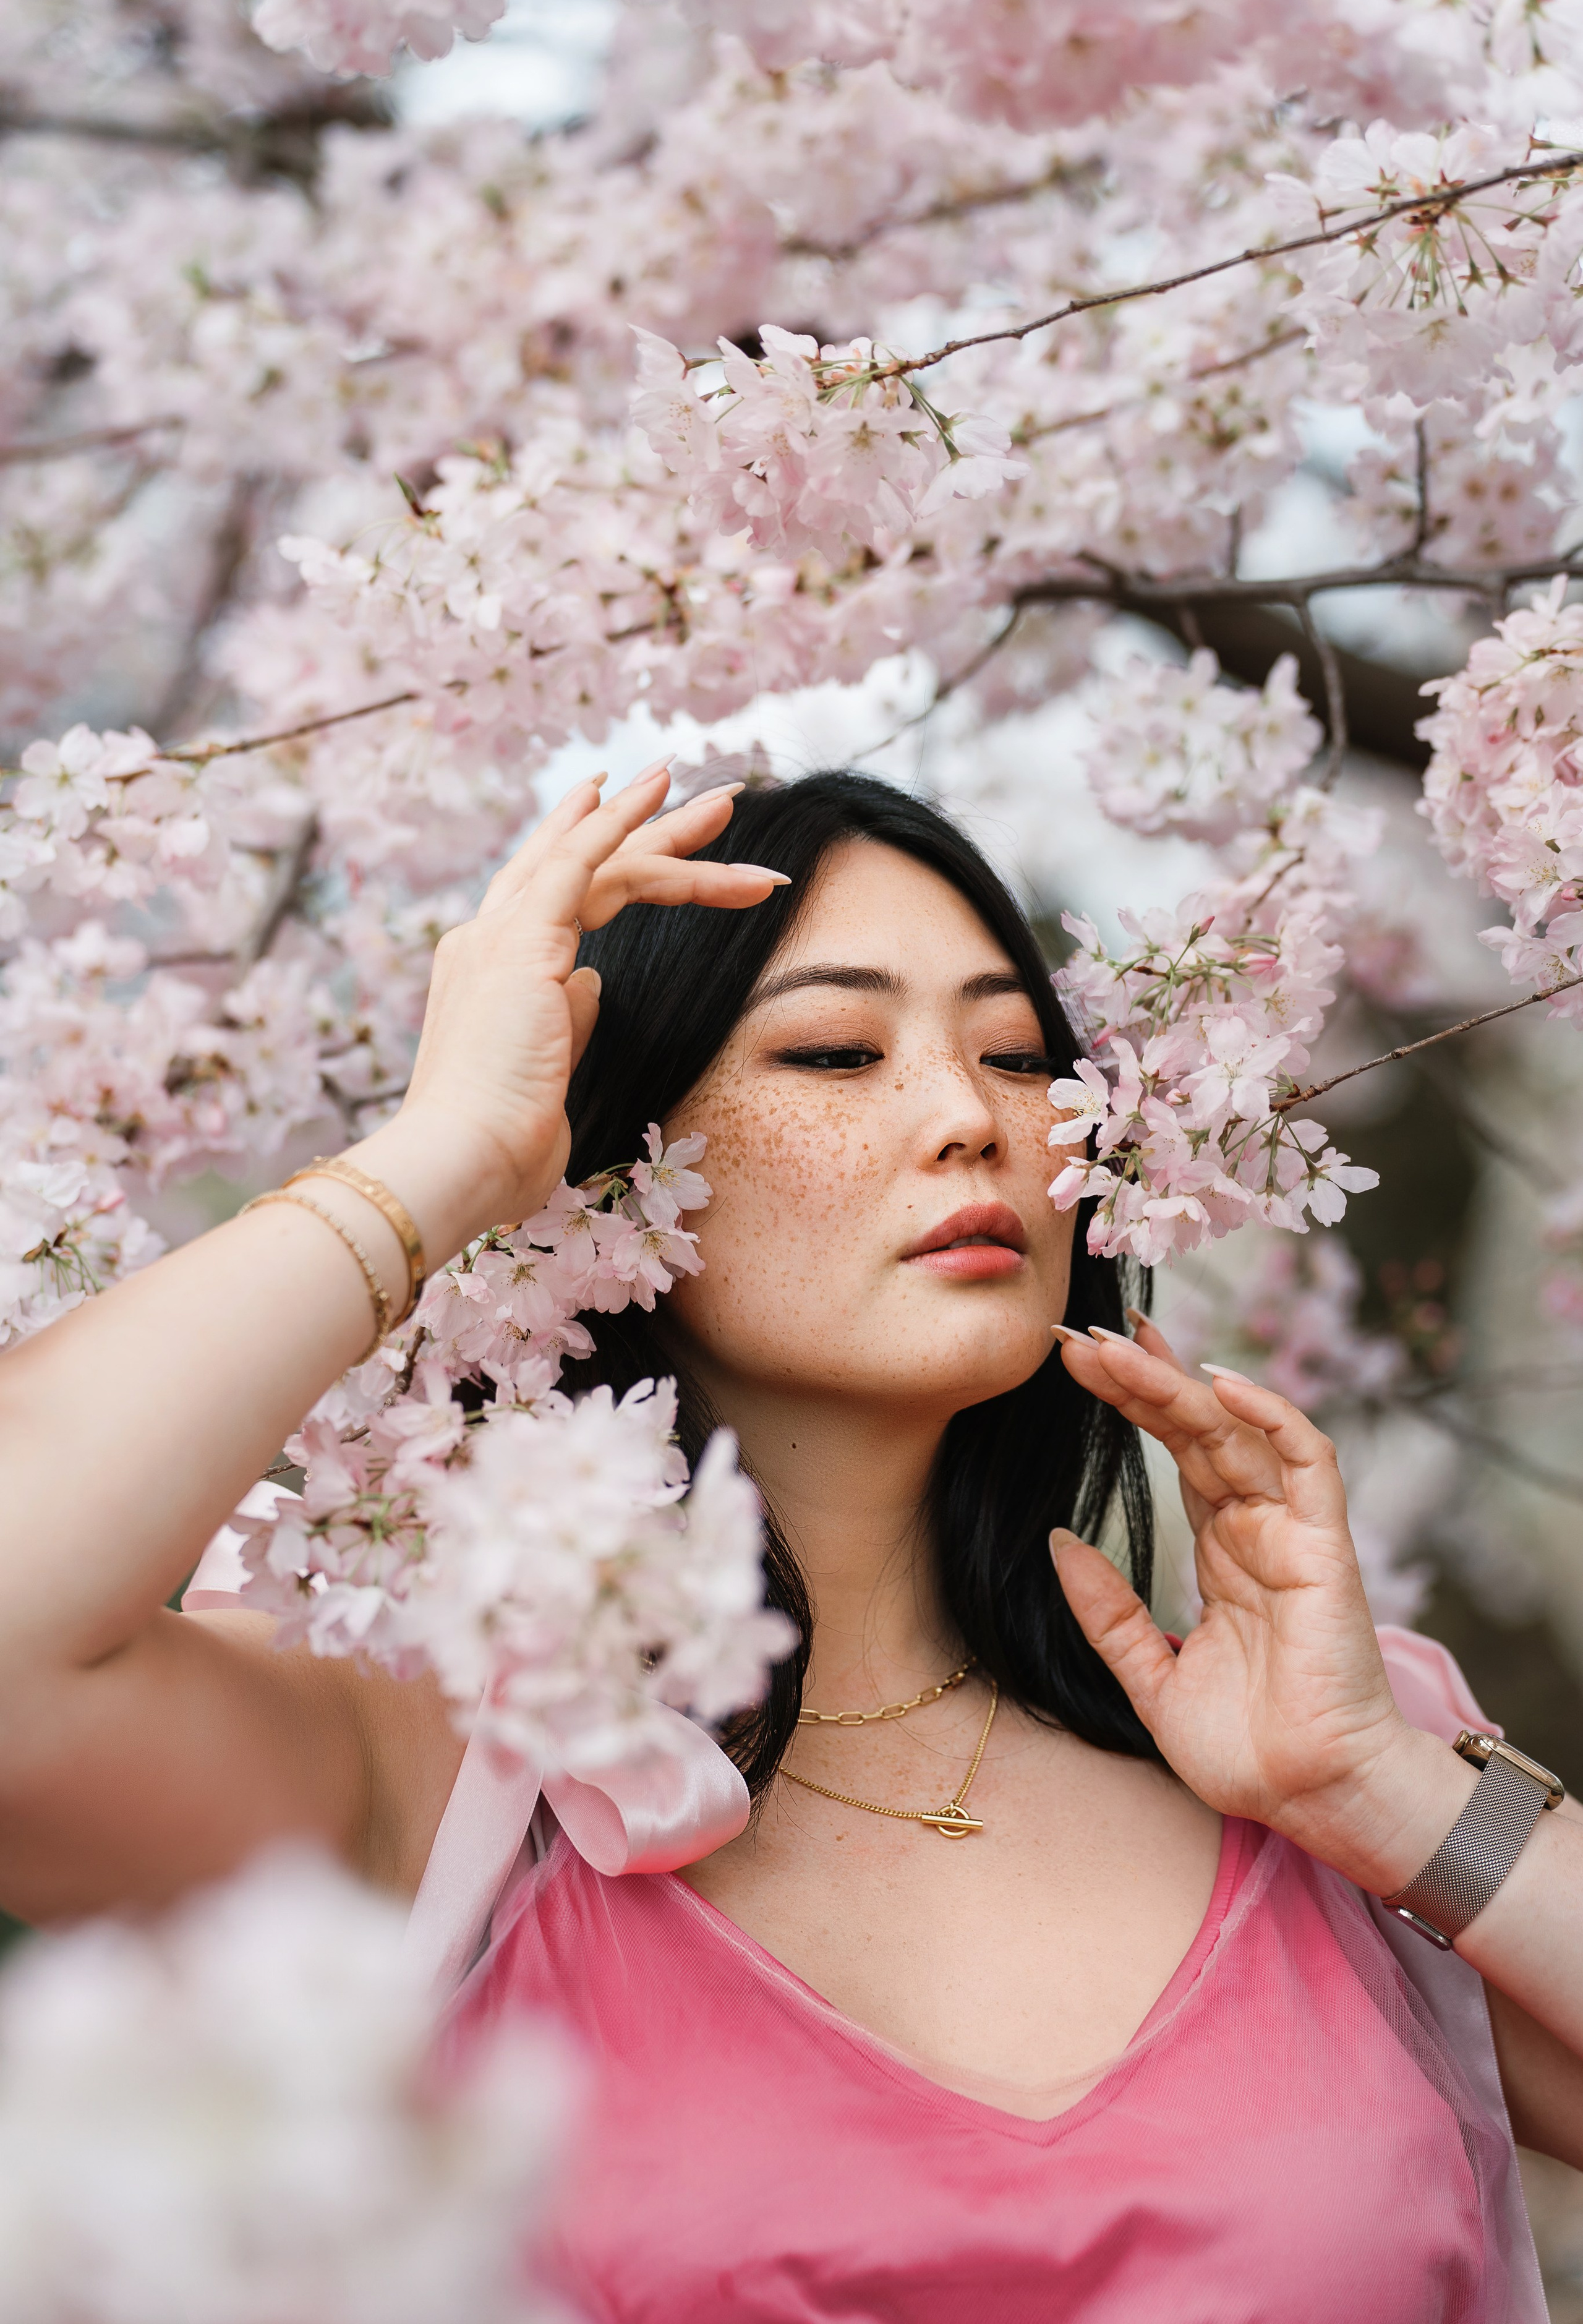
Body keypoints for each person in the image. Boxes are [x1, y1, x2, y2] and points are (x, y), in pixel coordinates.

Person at [0, 763, 1579, 2320]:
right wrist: (446, 1158)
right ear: (610, 1159)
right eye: (833, 1051)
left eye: (1021, 1058)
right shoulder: (434, 1763)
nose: (970, 1117)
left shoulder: (1319, 1753)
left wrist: (1371, 1789)